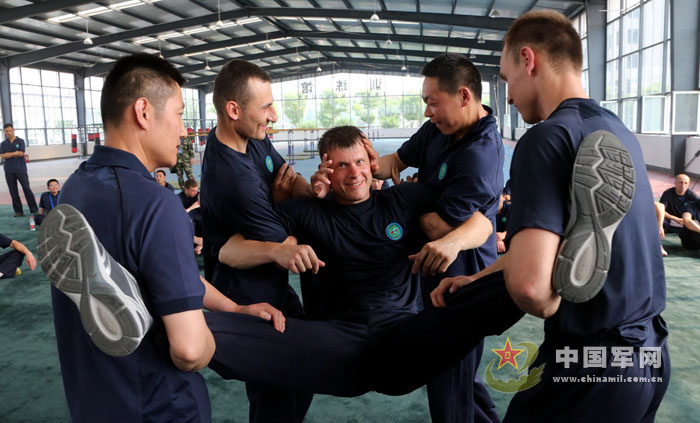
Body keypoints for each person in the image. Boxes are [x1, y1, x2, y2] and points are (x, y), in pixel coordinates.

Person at [432, 10, 669, 422]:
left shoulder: (545, 138)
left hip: (589, 366)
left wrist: (522, 283)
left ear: (529, 60)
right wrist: (478, 278)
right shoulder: (619, 131)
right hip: (649, 355)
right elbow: (548, 249)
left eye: (506, 80)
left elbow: (532, 290)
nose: (507, 96)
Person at [36, 53, 284, 423]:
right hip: (158, 406)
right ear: (144, 112)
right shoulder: (157, 206)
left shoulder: (76, 187)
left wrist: (232, 308)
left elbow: (165, 271)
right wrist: (216, 337)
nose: (185, 130)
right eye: (180, 114)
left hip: (91, 400)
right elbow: (187, 350)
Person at [365, 53, 503, 423]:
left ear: (463, 96)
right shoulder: (440, 128)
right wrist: (359, 165)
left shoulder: (479, 154)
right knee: (462, 377)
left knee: (448, 382)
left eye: (432, 102)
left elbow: (439, 229)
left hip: (461, 281)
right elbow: (392, 162)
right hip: (432, 274)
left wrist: (409, 200)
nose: (427, 112)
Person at [200, 59, 318, 423]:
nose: (274, 115)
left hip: (267, 279)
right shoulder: (232, 177)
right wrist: (285, 204)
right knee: (276, 393)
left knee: (303, 374)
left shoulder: (250, 138)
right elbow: (286, 245)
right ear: (233, 110)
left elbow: (287, 176)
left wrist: (313, 191)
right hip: (246, 291)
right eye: (265, 107)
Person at [1, 123, 38, 217]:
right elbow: (2, 156)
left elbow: (21, 153)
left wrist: (8, 154)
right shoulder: (3, 144)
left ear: (13, 130)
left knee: (26, 189)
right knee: (13, 191)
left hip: (21, 169)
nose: (9, 133)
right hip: (9, 170)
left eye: (10, 130)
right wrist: (14, 153)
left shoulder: (20, 141)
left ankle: (34, 209)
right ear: (4, 132)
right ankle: (18, 211)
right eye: (7, 131)